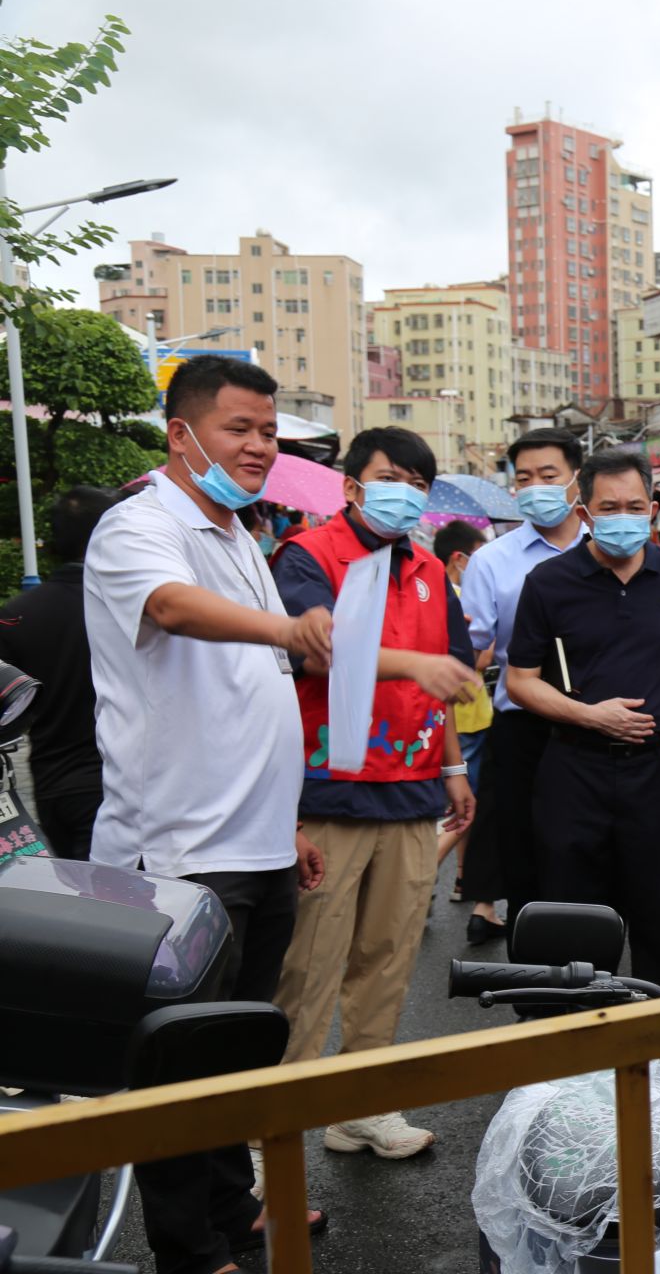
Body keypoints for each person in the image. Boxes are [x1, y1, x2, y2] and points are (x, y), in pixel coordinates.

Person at [84, 354, 330, 1274]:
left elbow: (250, 687)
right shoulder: (140, 524)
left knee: (235, 1047)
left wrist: (291, 820)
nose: (260, 447)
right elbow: (174, 611)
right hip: (182, 852)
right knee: (179, 1067)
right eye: (240, 429)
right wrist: (288, 628)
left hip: (259, 841)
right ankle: (190, 1250)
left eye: (269, 431)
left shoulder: (237, 532)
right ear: (181, 433)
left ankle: (236, 1210)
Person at [269, 426, 480, 1161]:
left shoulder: (427, 567)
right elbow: (311, 647)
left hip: (413, 790)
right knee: (309, 970)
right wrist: (415, 666)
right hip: (328, 793)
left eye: (420, 482)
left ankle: (362, 1106)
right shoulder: (309, 555)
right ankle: (272, 1137)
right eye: (392, 476)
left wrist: (453, 767)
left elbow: (446, 681)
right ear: (353, 486)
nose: (407, 492)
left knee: (386, 960)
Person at [506, 449, 660, 1093]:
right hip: (572, 774)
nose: (622, 519)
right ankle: (571, 1079)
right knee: (574, 928)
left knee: (655, 926)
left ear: (654, 511)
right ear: (584, 513)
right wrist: (589, 715)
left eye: (635, 508)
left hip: (657, 775)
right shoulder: (550, 582)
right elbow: (520, 681)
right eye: (607, 508)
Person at [458, 427, 587, 944]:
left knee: (589, 847)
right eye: (525, 478)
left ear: (577, 479)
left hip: (600, 725)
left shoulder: (611, 547)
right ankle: (537, 971)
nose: (536, 487)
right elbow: (471, 645)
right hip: (522, 726)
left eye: (549, 475)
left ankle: (595, 955)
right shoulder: (493, 560)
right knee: (525, 846)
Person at [0, 486, 116, 858]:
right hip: (118, 786)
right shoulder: (131, 607)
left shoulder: (17, 613)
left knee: (79, 899)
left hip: (51, 783)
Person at [434, 520, 494, 898]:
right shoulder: (457, 596)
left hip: (453, 717)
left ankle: (463, 880)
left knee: (464, 805)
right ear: (459, 559)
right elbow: (476, 658)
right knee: (465, 807)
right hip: (466, 716)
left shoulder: (430, 591)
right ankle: (421, 878)